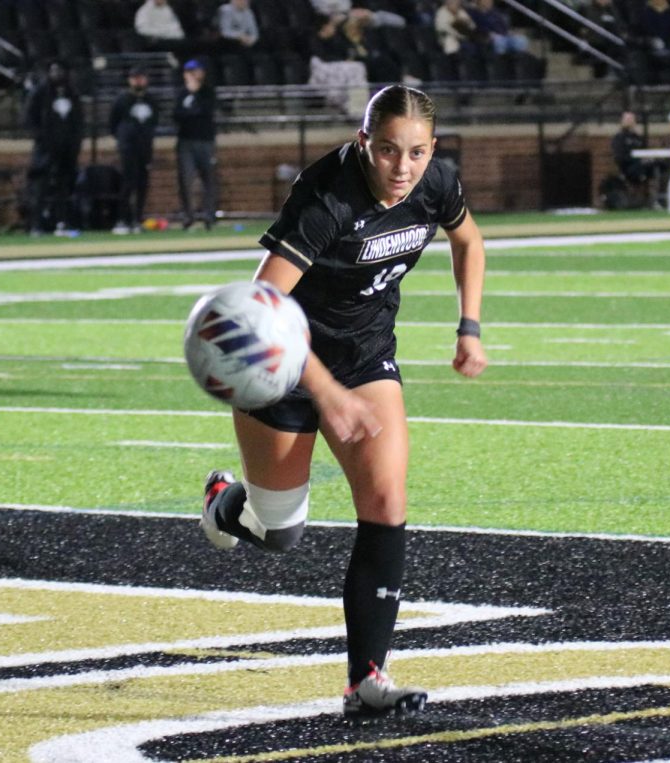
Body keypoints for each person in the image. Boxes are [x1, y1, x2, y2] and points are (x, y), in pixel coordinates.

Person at [199, 84, 487, 719]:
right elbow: (261, 311)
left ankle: (366, 681)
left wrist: (469, 327)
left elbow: (469, 241)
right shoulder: (326, 197)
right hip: (280, 369)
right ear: (364, 144)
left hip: (365, 360)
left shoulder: (435, 183)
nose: (402, 168)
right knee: (279, 534)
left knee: (386, 500)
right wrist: (325, 394)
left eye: (415, 152)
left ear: (432, 149)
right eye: (387, 151)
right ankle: (225, 503)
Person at [23, 61, 84, 236]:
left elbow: (78, 120)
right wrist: (41, 138)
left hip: (67, 149)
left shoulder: (72, 93)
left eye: (60, 70)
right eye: (53, 70)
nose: (57, 74)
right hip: (46, 148)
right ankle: (36, 224)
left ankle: (62, 221)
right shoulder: (40, 92)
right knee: (40, 186)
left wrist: (75, 142)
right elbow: (29, 117)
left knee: (63, 187)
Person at [108, 67, 159, 234]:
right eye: (135, 78)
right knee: (128, 183)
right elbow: (113, 123)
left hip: (145, 147)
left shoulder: (151, 99)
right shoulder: (122, 99)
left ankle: (138, 218)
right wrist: (124, 138)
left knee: (142, 184)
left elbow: (154, 121)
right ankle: (123, 219)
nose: (138, 81)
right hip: (128, 147)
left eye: (141, 78)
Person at [174, 59, 217, 231]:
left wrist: (195, 97)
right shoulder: (181, 93)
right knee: (186, 179)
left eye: (196, 71)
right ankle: (188, 216)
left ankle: (209, 215)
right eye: (190, 72)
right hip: (186, 141)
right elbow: (177, 115)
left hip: (205, 141)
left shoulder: (207, 92)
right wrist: (191, 111)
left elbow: (205, 111)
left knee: (209, 179)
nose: (193, 75)